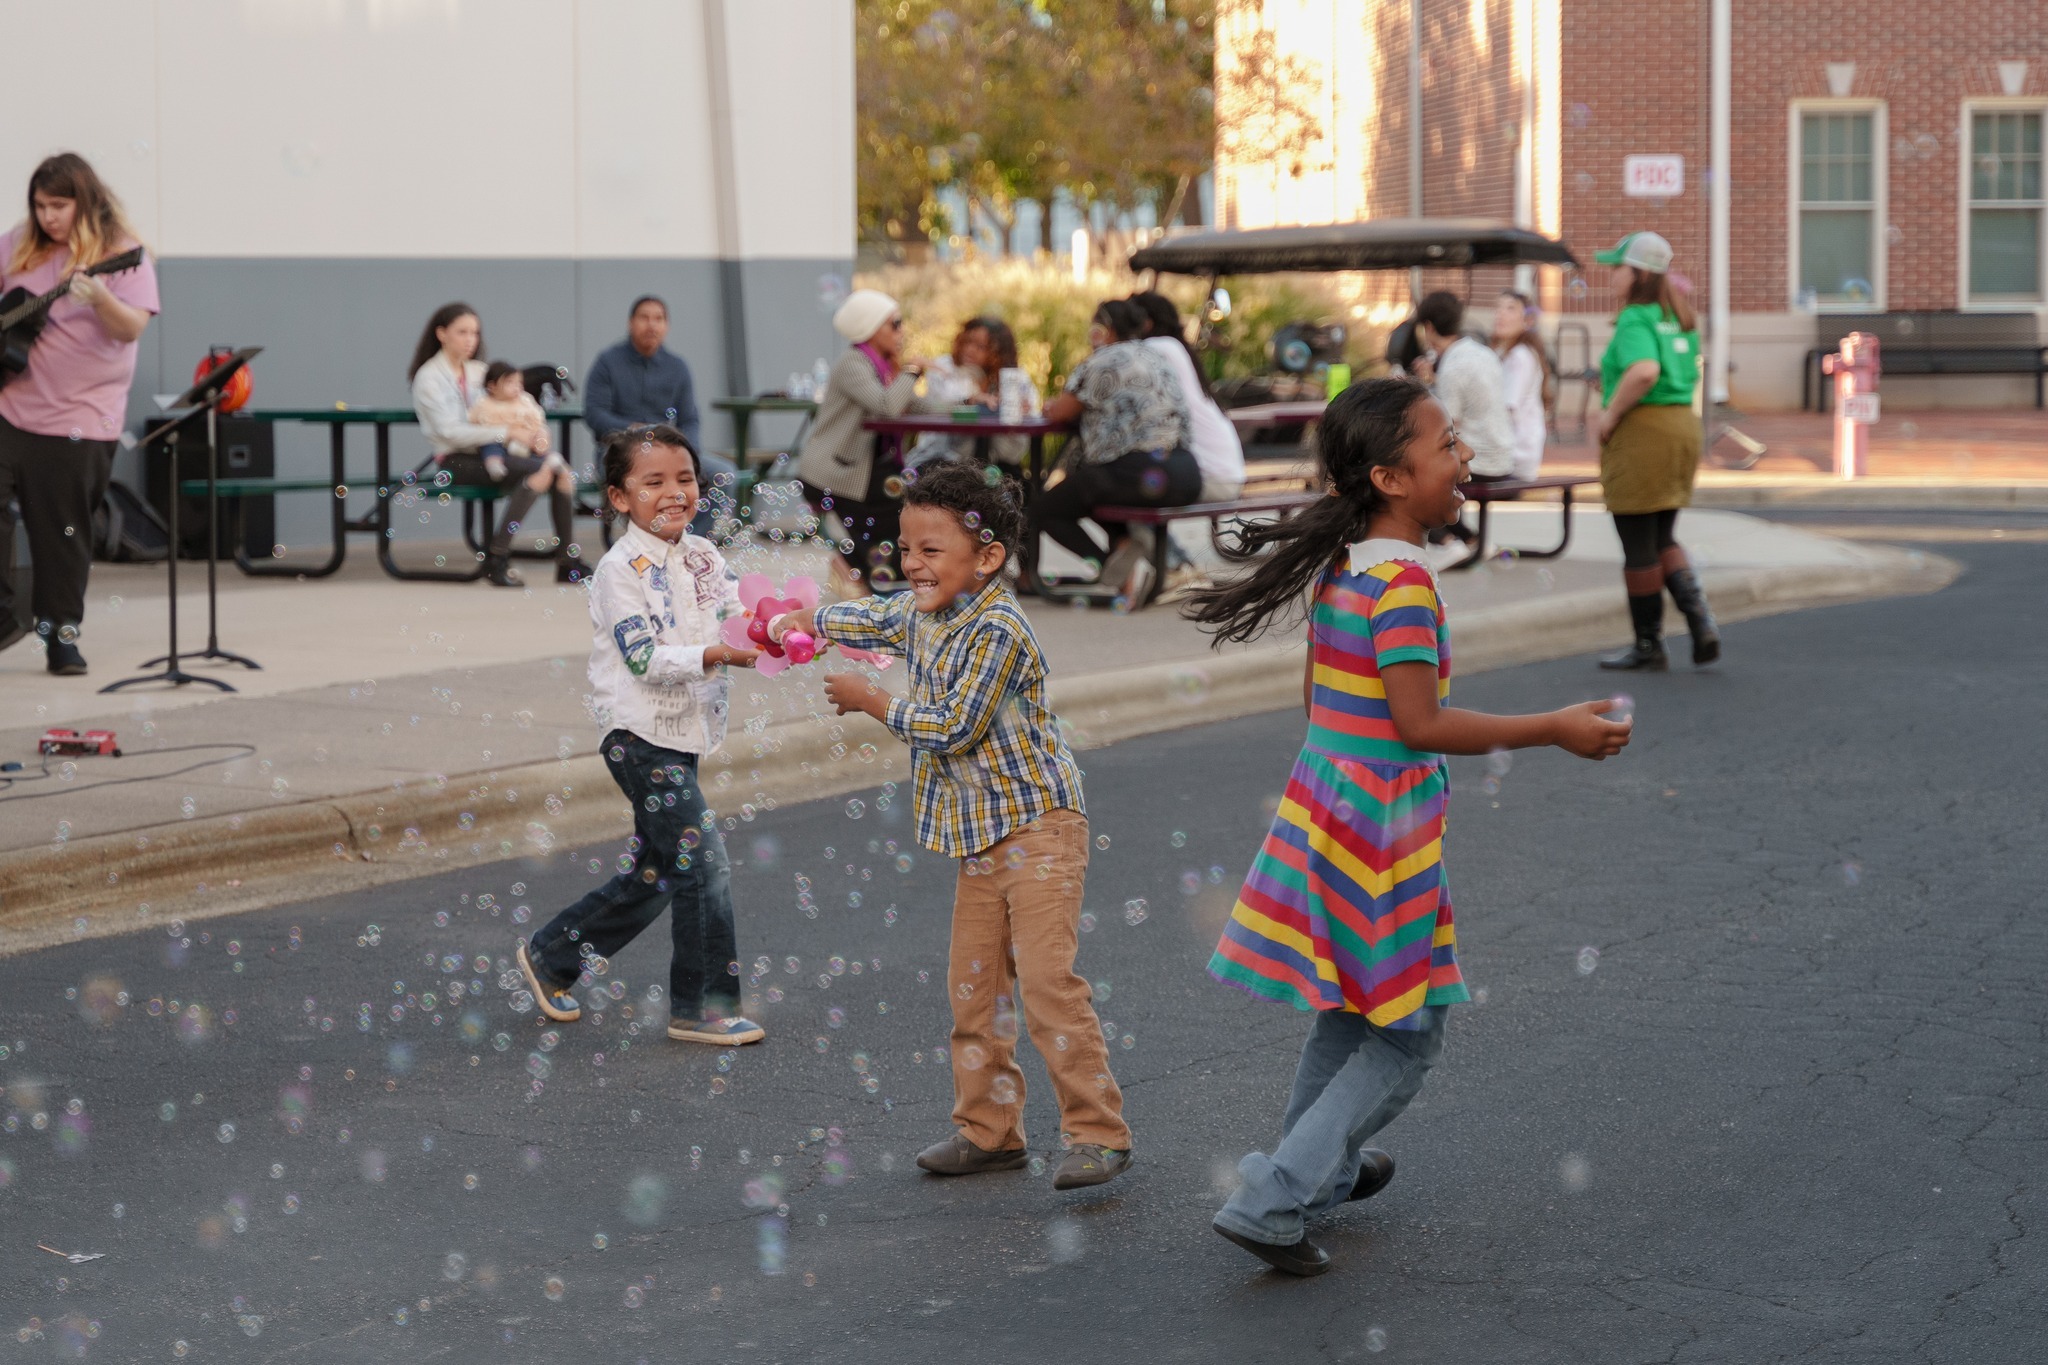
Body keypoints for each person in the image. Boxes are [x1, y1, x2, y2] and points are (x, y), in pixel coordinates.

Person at [1184, 377, 1632, 1276]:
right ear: (1392, 476)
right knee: (1409, 1030)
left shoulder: (1342, 567)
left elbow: (1321, 701)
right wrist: (1552, 726)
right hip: (1379, 835)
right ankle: (1275, 1192)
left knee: (1351, 1011)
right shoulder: (1403, 590)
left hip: (1328, 810)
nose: (1465, 458)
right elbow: (1421, 725)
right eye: (1449, 445)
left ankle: (1321, 1169)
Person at [771, 459, 1133, 1192]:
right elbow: (872, 615)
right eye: (906, 549)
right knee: (973, 988)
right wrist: (804, 620)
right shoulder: (921, 609)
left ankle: (1098, 1132)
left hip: (1039, 825)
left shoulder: (998, 626)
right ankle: (990, 1129)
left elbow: (952, 726)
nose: (912, 564)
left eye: (930, 551)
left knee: (1045, 983)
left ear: (987, 557)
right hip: (981, 835)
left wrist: (872, 699)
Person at [514, 423, 768, 1046]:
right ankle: (702, 1007)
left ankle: (552, 956)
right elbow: (643, 659)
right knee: (703, 865)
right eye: (654, 482)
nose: (675, 492)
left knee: (659, 873)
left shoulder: (706, 555)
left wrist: (784, 627)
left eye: (685, 478)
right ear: (621, 498)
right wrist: (718, 654)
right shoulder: (617, 571)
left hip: (684, 734)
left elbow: (741, 614)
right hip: (637, 735)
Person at [0, 153, 159, 675]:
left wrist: (98, 300)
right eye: (41, 206)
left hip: (80, 418)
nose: (48, 217)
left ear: (84, 202)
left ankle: (61, 636)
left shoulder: (123, 254)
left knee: (62, 533)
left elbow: (131, 328)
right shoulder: (18, 244)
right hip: (11, 405)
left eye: (59, 206)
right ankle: (4, 618)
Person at [1591, 232, 1721, 671]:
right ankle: (1700, 620)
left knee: (1638, 544)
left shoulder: (1635, 318)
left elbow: (1645, 371)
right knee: (1663, 534)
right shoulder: (1679, 314)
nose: (1613, 278)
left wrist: (1609, 413)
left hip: (1644, 432)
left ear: (1639, 273)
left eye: (1619, 269)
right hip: (1682, 427)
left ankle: (1649, 645)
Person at [1034, 299, 1198, 604]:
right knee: (1088, 490)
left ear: (1103, 328)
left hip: (1139, 470)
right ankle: (1128, 553)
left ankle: (1119, 570)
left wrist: (1049, 406)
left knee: (1044, 509)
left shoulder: (1102, 360)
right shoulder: (1155, 355)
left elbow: (1061, 413)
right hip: (1186, 471)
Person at [408, 303, 576, 587]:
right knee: (543, 471)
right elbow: (449, 434)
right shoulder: (429, 377)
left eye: (475, 332)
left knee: (562, 473)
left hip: (497, 456)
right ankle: (497, 557)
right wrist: (506, 433)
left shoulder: (480, 371)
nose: (470, 339)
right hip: (454, 460)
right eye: (462, 332)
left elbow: (522, 405)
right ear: (441, 333)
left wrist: (539, 433)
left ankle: (568, 561)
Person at [795, 288, 945, 596]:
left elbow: (914, 404)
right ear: (871, 326)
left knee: (902, 509)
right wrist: (913, 370)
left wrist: (966, 402)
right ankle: (854, 566)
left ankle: (855, 568)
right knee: (894, 518)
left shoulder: (881, 366)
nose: (902, 331)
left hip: (863, 471)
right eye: (896, 323)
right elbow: (887, 405)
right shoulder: (854, 363)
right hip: (833, 473)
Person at [585, 296, 733, 540]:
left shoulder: (677, 367)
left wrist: (689, 453)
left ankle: (687, 542)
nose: (651, 325)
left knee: (724, 473)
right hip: (619, 451)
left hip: (668, 451)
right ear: (630, 323)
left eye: (658, 319)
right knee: (646, 480)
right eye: (644, 318)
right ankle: (648, 543)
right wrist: (633, 431)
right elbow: (594, 414)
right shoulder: (608, 363)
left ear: (667, 326)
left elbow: (690, 419)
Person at [469, 359, 573, 479]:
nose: (516, 387)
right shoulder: (484, 403)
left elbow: (537, 417)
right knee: (490, 445)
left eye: (519, 383)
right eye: (509, 383)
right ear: (492, 386)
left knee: (539, 450)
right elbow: (475, 421)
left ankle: (553, 460)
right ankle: (494, 464)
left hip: (524, 442)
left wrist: (538, 433)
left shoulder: (525, 401)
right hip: (501, 442)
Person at [1491, 290, 1554, 481]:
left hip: (1515, 454)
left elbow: (1508, 406)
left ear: (1527, 320)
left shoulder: (1520, 356)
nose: (1501, 314)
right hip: (1513, 450)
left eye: (1510, 308)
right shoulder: (1507, 352)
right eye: (1498, 308)